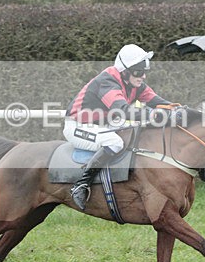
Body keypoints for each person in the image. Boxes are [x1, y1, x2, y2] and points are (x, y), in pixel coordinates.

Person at [64, 44, 173, 210]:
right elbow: (122, 110)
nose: (142, 76)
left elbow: (160, 103)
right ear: (124, 71)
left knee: (135, 134)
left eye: (144, 71)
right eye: (138, 71)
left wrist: (181, 110)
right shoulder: (107, 82)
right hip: (78, 126)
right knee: (115, 143)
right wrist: (151, 114)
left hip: (104, 124)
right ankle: (81, 185)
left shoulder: (134, 84)